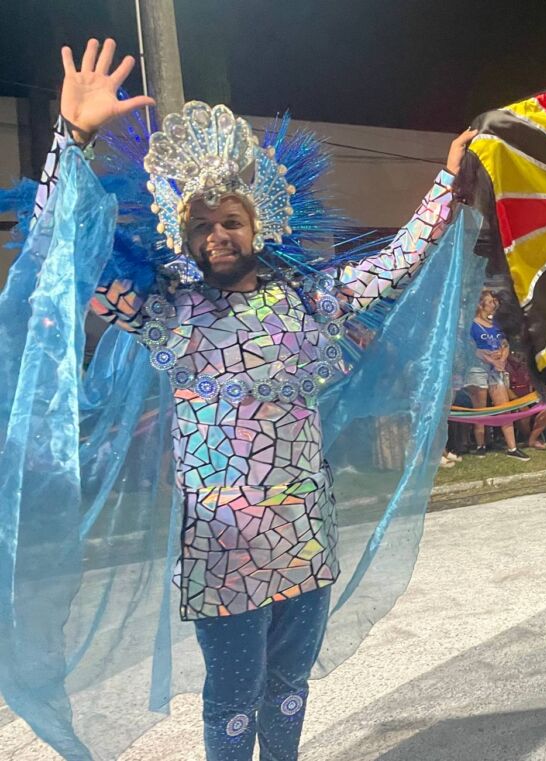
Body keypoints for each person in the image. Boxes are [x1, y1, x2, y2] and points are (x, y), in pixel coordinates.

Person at [1, 39, 482, 761]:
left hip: (305, 536)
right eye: (200, 225)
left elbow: (394, 262)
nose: (217, 235)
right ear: (183, 237)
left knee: (288, 687)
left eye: (230, 220)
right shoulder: (164, 310)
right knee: (232, 699)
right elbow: (63, 246)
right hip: (220, 549)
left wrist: (445, 181)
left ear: (259, 224)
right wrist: (71, 139)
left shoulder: (309, 298)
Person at [467, 290, 531, 461]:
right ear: (480, 304)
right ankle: (480, 445)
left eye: (494, 302)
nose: (493, 305)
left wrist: (502, 358)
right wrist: (489, 358)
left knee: (504, 406)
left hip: (496, 369)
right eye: (490, 302)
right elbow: (471, 348)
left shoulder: (496, 324)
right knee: (480, 408)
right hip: (479, 368)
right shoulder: (472, 325)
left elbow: (505, 343)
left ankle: (512, 447)